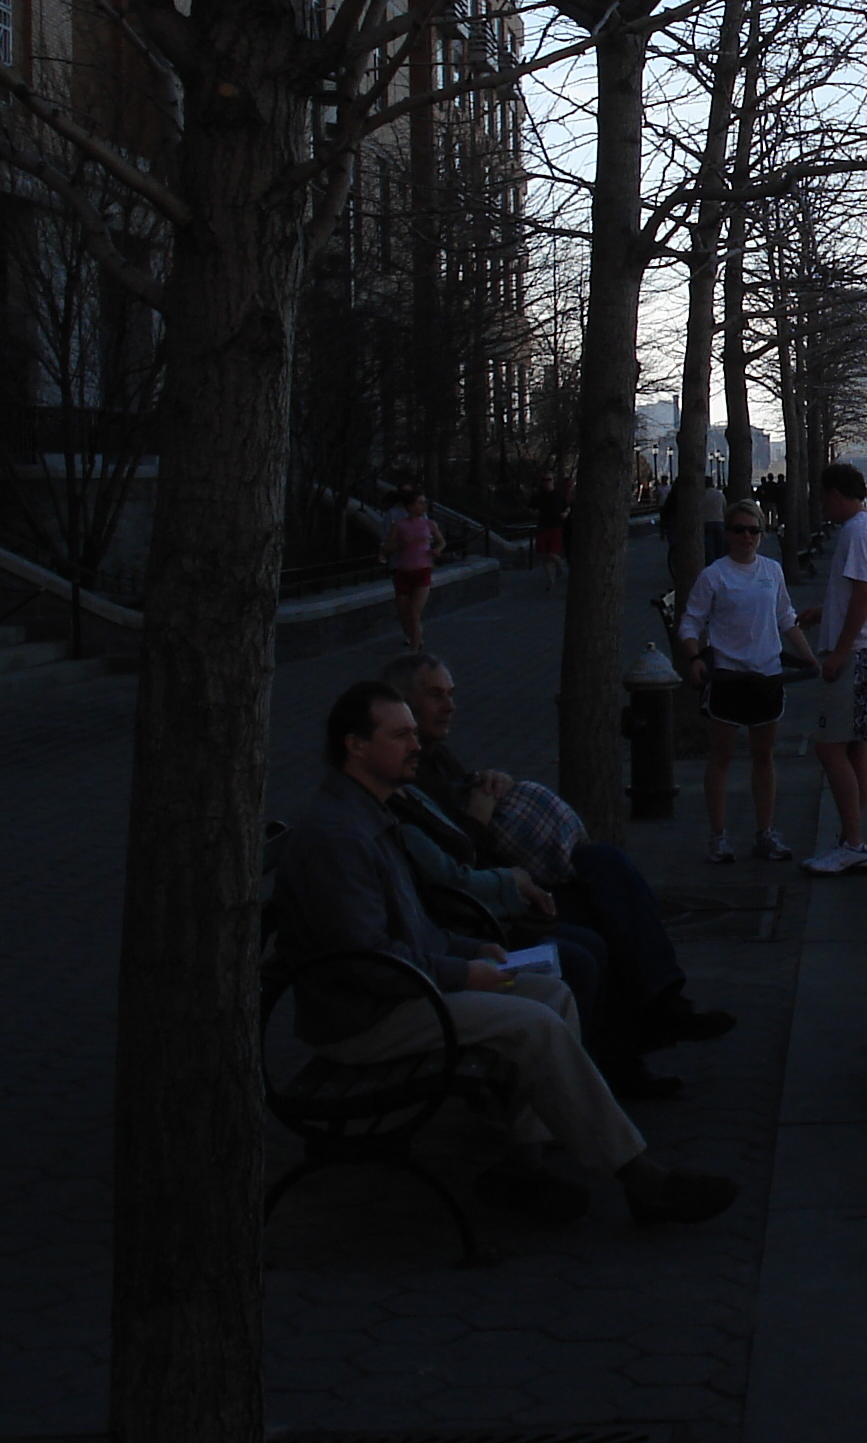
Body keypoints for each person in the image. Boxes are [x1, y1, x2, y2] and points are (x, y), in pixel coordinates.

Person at [272, 681, 737, 1227]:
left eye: (414, 734)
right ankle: (639, 1177)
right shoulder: (339, 836)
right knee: (532, 1023)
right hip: (364, 1018)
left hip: (396, 990)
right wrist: (465, 972)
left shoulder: (371, 814)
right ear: (355, 746)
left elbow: (411, 928)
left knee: (553, 991)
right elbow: (364, 960)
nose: (416, 746)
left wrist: (476, 949)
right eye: (400, 735)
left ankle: (525, 1164)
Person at [382, 651, 735, 1053]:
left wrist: (491, 780)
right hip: (491, 899)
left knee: (604, 862)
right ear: (402, 707)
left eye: (451, 694)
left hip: (511, 879)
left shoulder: (433, 754)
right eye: (435, 696)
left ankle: (665, 1001)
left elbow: (466, 796)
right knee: (602, 926)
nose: (450, 706)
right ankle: (632, 1040)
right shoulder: (403, 778)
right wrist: (480, 821)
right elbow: (455, 858)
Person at [678, 500, 814, 864]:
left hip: (767, 675)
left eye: (754, 531)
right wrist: (694, 657)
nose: (747, 537)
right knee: (721, 756)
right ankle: (719, 836)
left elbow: (786, 618)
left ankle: (765, 832)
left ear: (762, 534)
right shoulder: (714, 576)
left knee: (763, 756)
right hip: (727, 676)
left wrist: (809, 657)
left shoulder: (771, 571)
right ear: (727, 534)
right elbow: (691, 621)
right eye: (739, 530)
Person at [796, 462, 867, 877]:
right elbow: (866, 594)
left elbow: (862, 596)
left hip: (859, 653)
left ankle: (855, 843)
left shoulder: (857, 532)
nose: (823, 506)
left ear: (837, 494)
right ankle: (851, 835)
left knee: (829, 744)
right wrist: (825, 612)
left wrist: (838, 652)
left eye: (824, 497)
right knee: (856, 745)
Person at [378, 490, 445, 651]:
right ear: (409, 506)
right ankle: (414, 637)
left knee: (414, 613)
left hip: (422, 569)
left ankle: (414, 652)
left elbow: (441, 541)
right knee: (404, 613)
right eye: (420, 503)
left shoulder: (430, 524)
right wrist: (385, 553)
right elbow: (388, 545)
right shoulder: (399, 525)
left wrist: (437, 550)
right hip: (403, 571)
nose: (424, 506)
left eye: (424, 503)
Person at [528, 473, 571, 592]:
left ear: (553, 481)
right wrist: (534, 512)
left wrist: (565, 514)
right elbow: (530, 508)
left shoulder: (558, 495)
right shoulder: (537, 496)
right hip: (543, 526)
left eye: (549, 480)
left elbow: (567, 507)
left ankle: (559, 563)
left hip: (556, 526)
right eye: (544, 480)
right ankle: (550, 579)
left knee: (552, 552)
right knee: (543, 554)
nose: (546, 482)